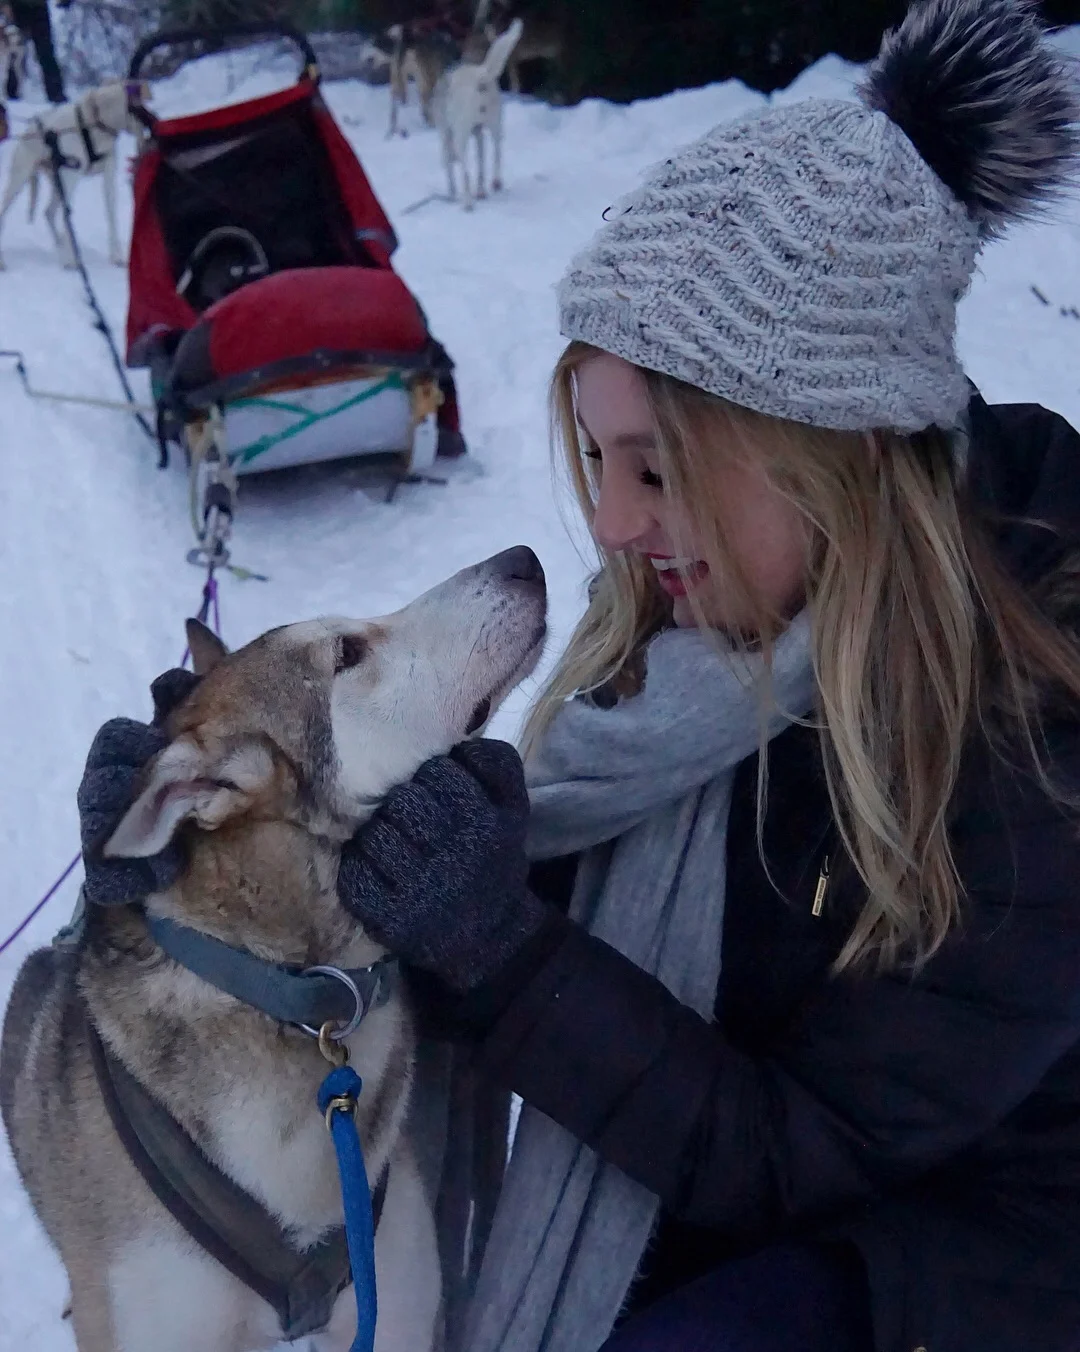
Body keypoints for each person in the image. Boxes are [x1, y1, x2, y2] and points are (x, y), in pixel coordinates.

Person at [74, 0, 1080, 1348]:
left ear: (831, 447)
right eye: (598, 460)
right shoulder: (682, 652)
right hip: (708, 1159)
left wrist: (502, 946)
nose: (609, 524)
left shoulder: (1034, 736)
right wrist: (223, 858)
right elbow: (452, 934)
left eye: (656, 467)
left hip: (955, 1246)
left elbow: (798, 1147)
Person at [8, 0, 67, 104]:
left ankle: (56, 93)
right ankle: (11, 92)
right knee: (14, 52)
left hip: (38, 8)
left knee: (46, 52)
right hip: (16, 8)